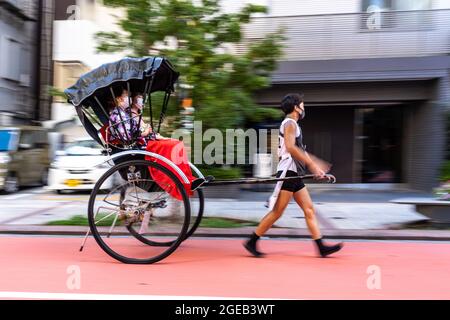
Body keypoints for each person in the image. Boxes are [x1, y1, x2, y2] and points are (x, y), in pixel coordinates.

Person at [243, 93, 343, 258]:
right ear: (296, 107)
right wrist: (312, 164)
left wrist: (316, 165)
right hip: (289, 172)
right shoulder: (290, 123)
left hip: (294, 173)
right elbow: (291, 147)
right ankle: (252, 241)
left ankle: (321, 247)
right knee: (277, 211)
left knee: (309, 209)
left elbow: (299, 150)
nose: (304, 108)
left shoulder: (292, 124)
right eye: (302, 105)